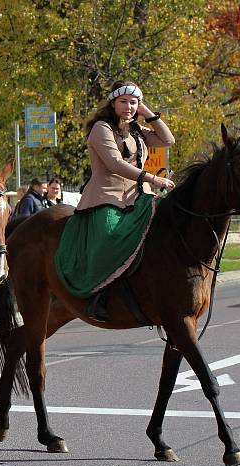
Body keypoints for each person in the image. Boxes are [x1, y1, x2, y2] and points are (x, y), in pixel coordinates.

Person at [55, 80, 175, 317]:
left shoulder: (137, 129)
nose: (129, 107)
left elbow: (168, 140)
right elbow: (114, 163)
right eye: (124, 102)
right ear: (112, 102)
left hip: (140, 197)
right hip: (106, 197)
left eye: (134, 102)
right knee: (110, 236)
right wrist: (153, 178)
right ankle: (95, 295)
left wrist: (148, 113)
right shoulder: (102, 128)